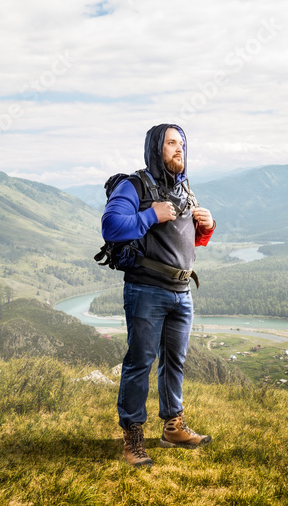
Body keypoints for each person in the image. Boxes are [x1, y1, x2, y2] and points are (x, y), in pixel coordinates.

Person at [101, 123, 216, 468]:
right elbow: (111, 226)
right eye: (171, 143)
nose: (179, 149)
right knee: (140, 362)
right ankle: (133, 435)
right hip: (146, 289)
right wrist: (151, 214)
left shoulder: (184, 188)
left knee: (174, 362)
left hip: (182, 291)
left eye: (182, 144)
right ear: (156, 148)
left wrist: (207, 227)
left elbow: (182, 243)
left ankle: (173, 428)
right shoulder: (134, 186)